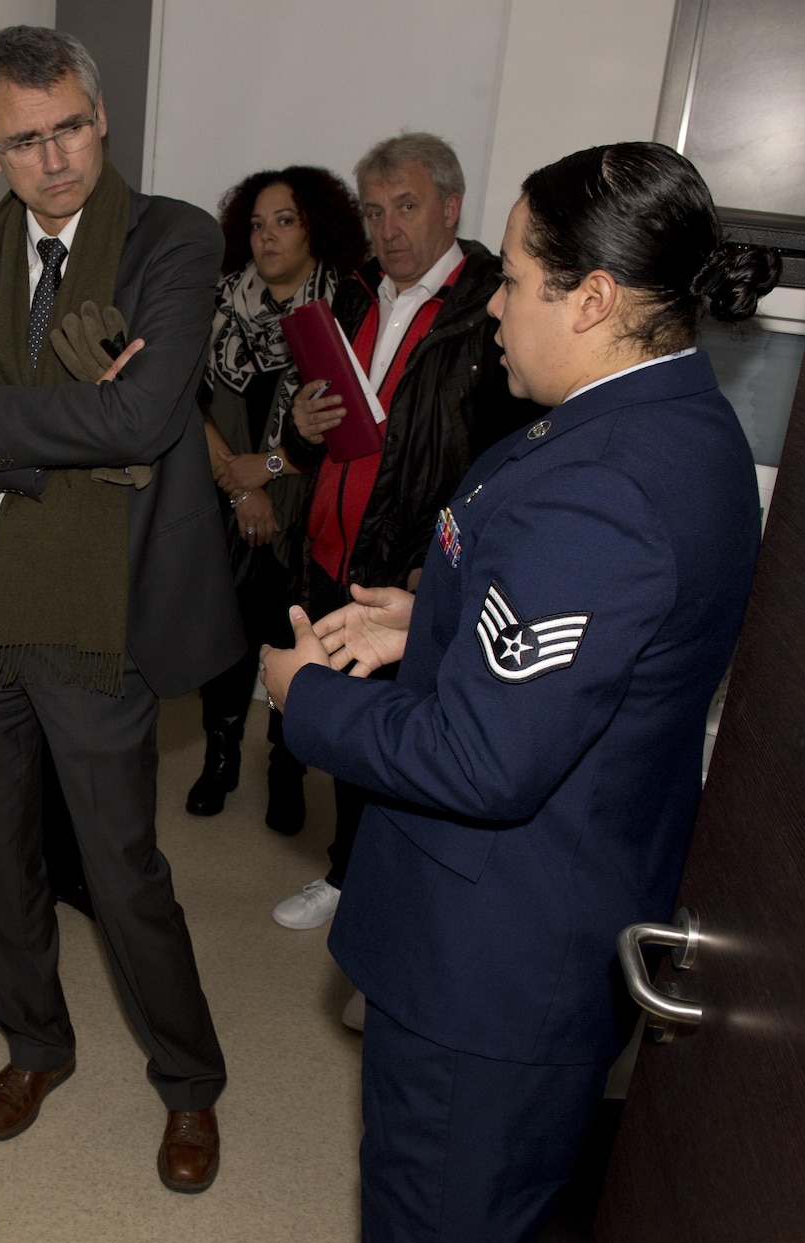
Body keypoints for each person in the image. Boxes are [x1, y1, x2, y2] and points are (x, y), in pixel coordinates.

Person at [260, 141, 778, 1243]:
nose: (491, 297)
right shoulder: (667, 417)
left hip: (487, 962)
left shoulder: (602, 486)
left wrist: (303, 695)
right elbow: (564, 642)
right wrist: (425, 619)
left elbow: (481, 759)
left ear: (592, 298)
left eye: (516, 275)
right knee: (448, 1220)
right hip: (554, 902)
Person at [0, 25, 240, 1193]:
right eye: (25, 140)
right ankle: (34, 1044)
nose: (55, 161)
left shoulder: (171, 239)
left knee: (117, 859)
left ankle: (187, 1081)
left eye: (71, 128)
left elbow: (140, 420)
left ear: (101, 118)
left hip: (98, 603)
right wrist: (43, 425)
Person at [269, 133, 535, 932]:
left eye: (407, 207)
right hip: (328, 548)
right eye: (375, 211)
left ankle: (364, 885)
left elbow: (506, 460)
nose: (388, 229)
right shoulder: (351, 295)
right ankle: (350, 872)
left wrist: (444, 565)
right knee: (337, 723)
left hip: (408, 573)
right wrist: (302, 427)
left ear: (451, 207)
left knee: (396, 740)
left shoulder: (491, 309)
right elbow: (303, 430)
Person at [185, 166, 367, 829]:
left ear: (315, 226)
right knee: (225, 633)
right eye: (257, 224)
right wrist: (240, 493)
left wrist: (263, 471)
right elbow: (188, 407)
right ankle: (220, 753)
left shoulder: (345, 310)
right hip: (226, 502)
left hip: (311, 507)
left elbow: (338, 428)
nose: (268, 236)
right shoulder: (218, 303)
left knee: (296, 637)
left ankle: (284, 768)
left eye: (284, 221)